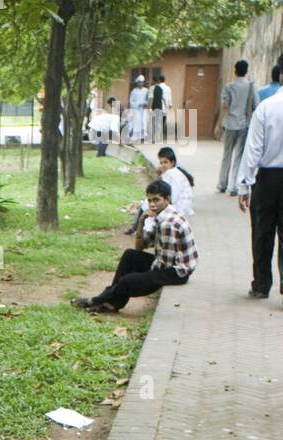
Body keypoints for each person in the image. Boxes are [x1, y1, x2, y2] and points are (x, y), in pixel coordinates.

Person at [73, 177, 199, 313]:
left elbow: (164, 265)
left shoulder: (168, 224)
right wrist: (141, 221)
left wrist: (141, 276)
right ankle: (111, 303)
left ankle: (97, 300)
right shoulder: (161, 216)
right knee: (130, 255)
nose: (152, 204)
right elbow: (140, 247)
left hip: (178, 271)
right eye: (149, 200)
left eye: (156, 200)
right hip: (167, 263)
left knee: (128, 281)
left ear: (167, 199)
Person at [237, 86, 283, 300]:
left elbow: (253, 148)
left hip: (267, 179)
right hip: (268, 177)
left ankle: (262, 285)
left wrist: (245, 184)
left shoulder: (266, 108)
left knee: (262, 233)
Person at [125, 147, 194, 232]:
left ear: (172, 162)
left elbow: (172, 197)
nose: (162, 165)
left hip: (179, 208)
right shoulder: (171, 172)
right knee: (148, 202)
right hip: (178, 206)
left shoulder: (173, 175)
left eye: (165, 162)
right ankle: (138, 227)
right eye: (161, 162)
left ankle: (140, 229)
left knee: (148, 204)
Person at [216, 59, 259, 195]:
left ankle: (222, 184)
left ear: (235, 71)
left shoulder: (229, 87)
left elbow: (224, 106)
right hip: (244, 125)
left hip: (229, 124)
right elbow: (256, 105)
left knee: (227, 154)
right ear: (246, 71)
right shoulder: (251, 87)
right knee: (239, 156)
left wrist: (218, 123)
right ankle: (234, 187)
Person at [127, 74, 149, 142]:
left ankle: (142, 138)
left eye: (142, 82)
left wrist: (145, 104)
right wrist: (138, 104)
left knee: (143, 123)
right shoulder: (134, 91)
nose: (140, 84)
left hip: (143, 110)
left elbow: (147, 100)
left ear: (143, 83)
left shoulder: (146, 90)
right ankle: (133, 138)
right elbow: (131, 101)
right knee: (134, 124)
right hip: (135, 110)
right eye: (139, 82)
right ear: (137, 83)